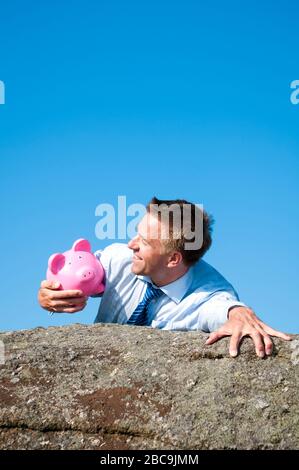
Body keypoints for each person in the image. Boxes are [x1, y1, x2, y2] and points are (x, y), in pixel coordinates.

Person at [38, 197, 291, 357]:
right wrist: (50, 296)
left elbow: (226, 308)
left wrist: (240, 314)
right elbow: (76, 275)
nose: (131, 244)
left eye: (144, 241)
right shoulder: (118, 259)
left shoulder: (206, 294)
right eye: (136, 233)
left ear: (173, 259)